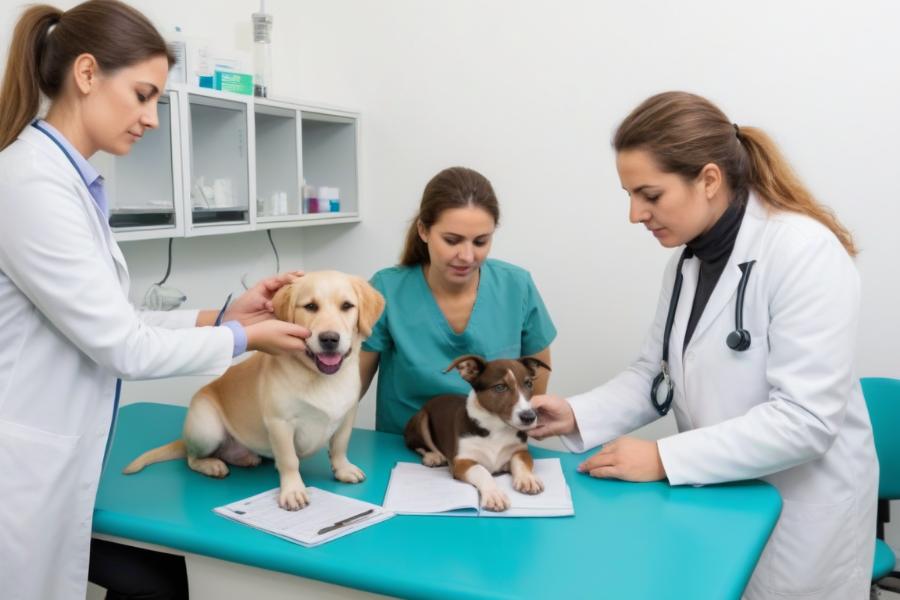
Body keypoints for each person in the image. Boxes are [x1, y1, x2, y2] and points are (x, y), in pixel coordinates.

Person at [0, 2, 311, 599]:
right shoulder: (33, 184)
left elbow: (115, 320)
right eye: (142, 95)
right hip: (25, 466)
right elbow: (123, 347)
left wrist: (225, 317)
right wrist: (250, 338)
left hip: (55, 456)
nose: (152, 119)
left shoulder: (69, 181)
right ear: (87, 74)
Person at [529, 91, 878, 600]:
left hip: (797, 512)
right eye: (629, 195)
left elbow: (807, 420)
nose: (634, 214)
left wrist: (664, 459)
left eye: (649, 194)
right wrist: (575, 414)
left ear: (709, 180)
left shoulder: (804, 253)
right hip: (719, 501)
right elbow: (657, 372)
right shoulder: (688, 261)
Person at [359, 166, 557, 434]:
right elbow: (348, 388)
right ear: (424, 230)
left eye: (480, 242)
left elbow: (533, 385)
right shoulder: (386, 290)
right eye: (452, 240)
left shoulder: (517, 286)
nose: (467, 256)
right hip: (407, 447)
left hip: (494, 448)